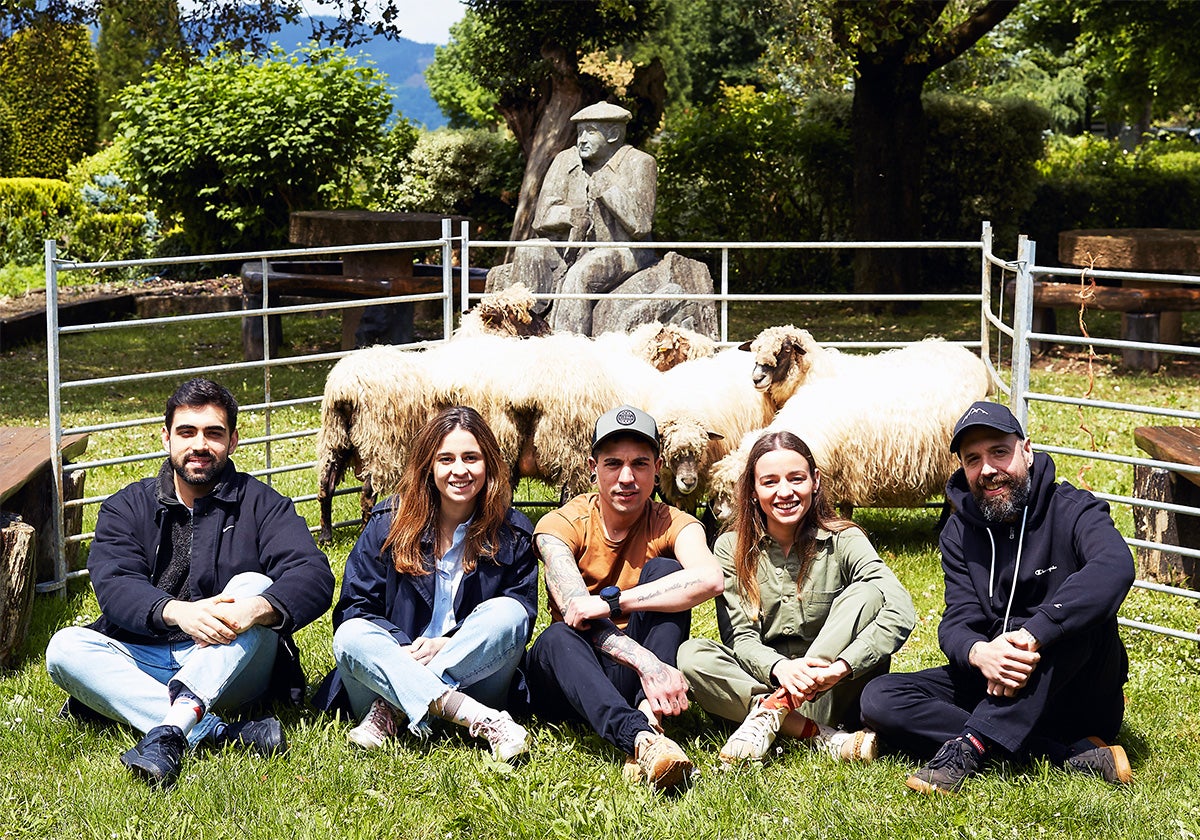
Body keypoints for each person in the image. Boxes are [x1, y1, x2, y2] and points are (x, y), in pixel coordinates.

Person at [45, 378, 334, 788]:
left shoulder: (263, 504)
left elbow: (314, 574)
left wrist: (254, 609)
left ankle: (165, 722)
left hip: (233, 662)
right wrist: (179, 612)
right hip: (147, 657)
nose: (200, 444)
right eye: (186, 432)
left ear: (233, 441)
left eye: (213, 433)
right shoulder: (126, 507)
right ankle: (213, 732)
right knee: (65, 648)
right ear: (166, 437)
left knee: (252, 584)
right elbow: (114, 583)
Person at [859, 401, 1136, 794]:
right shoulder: (959, 532)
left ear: (1027, 450)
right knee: (880, 698)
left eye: (999, 452)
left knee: (1079, 617)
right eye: (973, 459)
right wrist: (979, 653)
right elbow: (957, 620)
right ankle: (1064, 757)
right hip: (998, 683)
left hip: (1076, 692)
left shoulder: (1074, 509)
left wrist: (1033, 634)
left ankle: (972, 745)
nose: (988, 469)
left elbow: (1116, 567)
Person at [314, 406, 537, 763]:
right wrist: (402, 650)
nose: (459, 470)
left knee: (508, 613)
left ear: (490, 464)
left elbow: (517, 623)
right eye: (445, 458)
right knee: (351, 635)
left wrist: (446, 645)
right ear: (428, 465)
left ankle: (394, 710)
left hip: (475, 678)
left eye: (471, 457)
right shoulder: (388, 522)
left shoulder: (513, 533)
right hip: (395, 665)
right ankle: (479, 719)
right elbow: (355, 607)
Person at [679, 431, 915, 766]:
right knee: (691, 654)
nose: (785, 492)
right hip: (765, 682)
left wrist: (841, 667)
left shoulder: (844, 539)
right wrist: (781, 668)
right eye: (770, 482)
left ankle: (774, 716)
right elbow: (741, 638)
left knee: (867, 592)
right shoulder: (730, 548)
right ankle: (815, 733)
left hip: (833, 689)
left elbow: (901, 609)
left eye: (796, 478)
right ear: (752, 490)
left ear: (815, 481)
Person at [524, 405, 724, 791]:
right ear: (592, 467)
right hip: (573, 674)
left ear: (658, 467)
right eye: (613, 464)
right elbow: (575, 611)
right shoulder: (562, 523)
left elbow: (710, 577)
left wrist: (616, 603)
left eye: (640, 464)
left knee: (667, 573)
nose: (626, 478)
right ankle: (642, 736)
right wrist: (651, 665)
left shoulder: (671, 521)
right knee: (555, 638)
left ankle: (649, 725)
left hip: (631, 680)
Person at [508, 101, 657, 335]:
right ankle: (521, 329)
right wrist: (568, 215)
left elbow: (640, 225)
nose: (582, 140)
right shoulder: (566, 161)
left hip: (625, 250)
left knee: (582, 273)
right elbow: (540, 220)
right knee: (529, 250)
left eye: (590, 132)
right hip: (573, 245)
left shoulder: (639, 162)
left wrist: (608, 190)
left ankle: (568, 344)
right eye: (579, 132)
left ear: (614, 135)